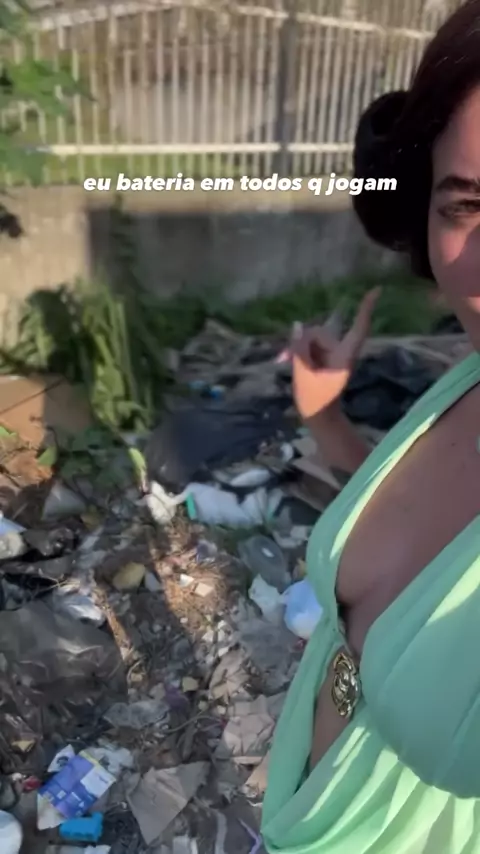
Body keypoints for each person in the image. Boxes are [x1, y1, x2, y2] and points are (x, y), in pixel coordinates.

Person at [260, 1, 480, 852]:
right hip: (299, 808)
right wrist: (325, 416)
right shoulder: (465, 380)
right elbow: (411, 556)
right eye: (467, 205)